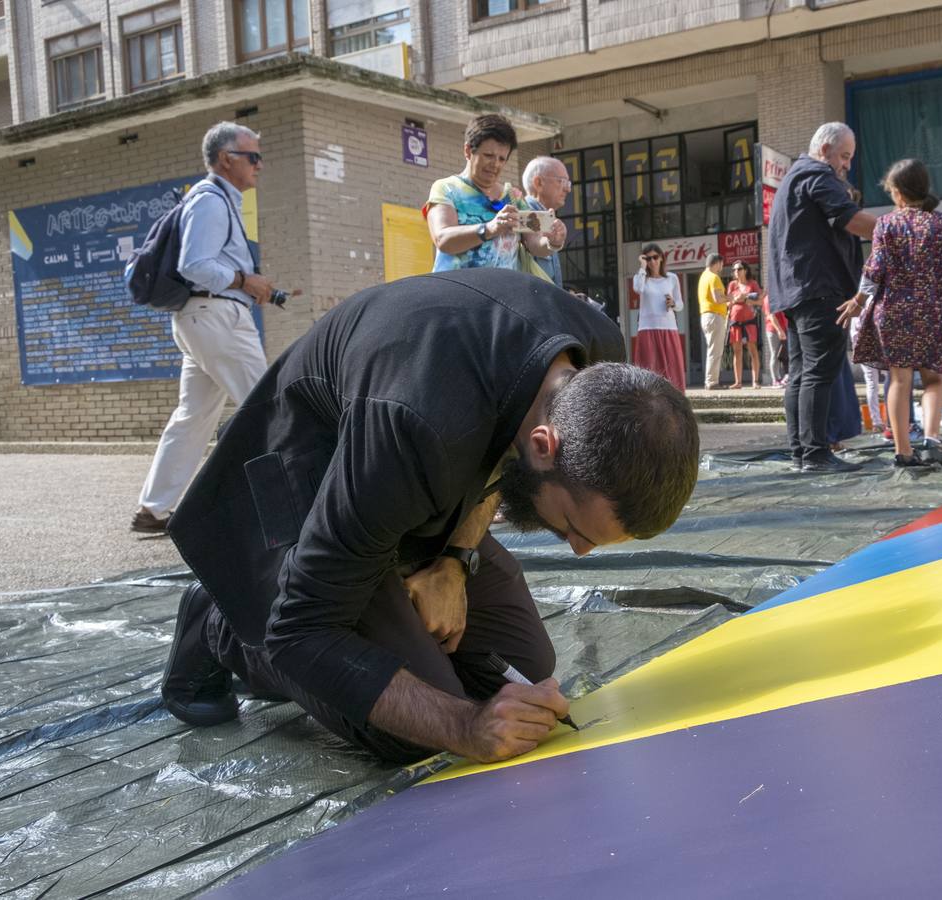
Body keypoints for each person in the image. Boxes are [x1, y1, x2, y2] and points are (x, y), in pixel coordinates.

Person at [160, 269, 701, 765]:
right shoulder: (416, 427)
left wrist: (455, 560)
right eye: (576, 530)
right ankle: (222, 624)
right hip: (309, 473)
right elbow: (302, 634)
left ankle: (391, 596)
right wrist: (466, 727)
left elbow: (502, 444)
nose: (579, 551)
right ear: (544, 446)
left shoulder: (594, 362)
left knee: (521, 675)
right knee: (413, 732)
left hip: (404, 477)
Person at [131, 122, 275, 534]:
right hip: (216, 319)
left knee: (193, 417)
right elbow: (194, 265)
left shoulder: (216, 200)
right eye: (253, 157)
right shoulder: (211, 201)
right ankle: (287, 508)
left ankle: (153, 511)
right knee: (266, 409)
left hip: (203, 319)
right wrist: (245, 281)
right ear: (227, 159)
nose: (260, 165)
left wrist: (254, 285)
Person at [766, 122, 878, 473]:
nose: (846, 165)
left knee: (801, 372)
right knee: (818, 370)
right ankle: (815, 454)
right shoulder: (816, 173)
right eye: (844, 156)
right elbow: (847, 219)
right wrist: (896, 228)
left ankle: (803, 452)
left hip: (796, 290)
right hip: (819, 288)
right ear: (826, 149)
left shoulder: (794, 176)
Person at [849, 158, 942, 470]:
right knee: (934, 378)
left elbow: (874, 271)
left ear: (899, 193)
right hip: (931, 308)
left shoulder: (885, 224)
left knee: (899, 379)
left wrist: (858, 301)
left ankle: (903, 452)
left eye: (891, 191)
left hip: (893, 309)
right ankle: (932, 441)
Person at [424, 114, 558, 275]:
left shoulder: (513, 197)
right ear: (468, 151)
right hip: (456, 293)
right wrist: (488, 229)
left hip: (502, 295)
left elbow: (534, 243)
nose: (495, 164)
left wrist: (552, 241)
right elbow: (443, 239)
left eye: (502, 159)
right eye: (488, 156)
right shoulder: (446, 189)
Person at [631, 243, 686, 390]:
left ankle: (676, 404)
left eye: (655, 257)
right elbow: (638, 288)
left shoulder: (672, 278)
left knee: (672, 370)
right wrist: (642, 267)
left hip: (668, 328)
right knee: (649, 370)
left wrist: (673, 303)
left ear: (661, 258)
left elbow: (680, 305)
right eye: (648, 259)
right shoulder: (641, 278)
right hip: (647, 328)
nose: (652, 261)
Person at [521, 156, 572, 286]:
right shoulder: (524, 216)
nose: (568, 189)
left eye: (568, 183)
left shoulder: (547, 217)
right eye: (562, 181)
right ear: (538, 183)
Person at [726, 261, 763, 389]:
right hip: (735, 321)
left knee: (753, 350)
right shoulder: (732, 285)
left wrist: (746, 299)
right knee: (737, 351)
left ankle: (756, 381)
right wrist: (736, 299)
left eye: (739, 269)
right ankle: (738, 382)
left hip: (749, 321)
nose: (737, 271)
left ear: (745, 270)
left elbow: (760, 301)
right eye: (734, 270)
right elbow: (727, 303)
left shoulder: (753, 284)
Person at [697, 254, 730, 390]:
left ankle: (710, 380)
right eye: (721, 264)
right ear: (718, 263)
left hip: (707, 316)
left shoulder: (703, 277)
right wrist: (732, 297)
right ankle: (712, 382)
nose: (722, 268)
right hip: (715, 316)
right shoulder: (714, 277)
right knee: (715, 351)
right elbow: (718, 299)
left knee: (712, 349)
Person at [763, 290, 789, 386]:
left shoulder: (779, 297)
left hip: (782, 329)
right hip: (773, 330)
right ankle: (775, 379)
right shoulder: (768, 299)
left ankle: (780, 377)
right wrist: (779, 330)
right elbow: (771, 316)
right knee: (774, 354)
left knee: (781, 355)